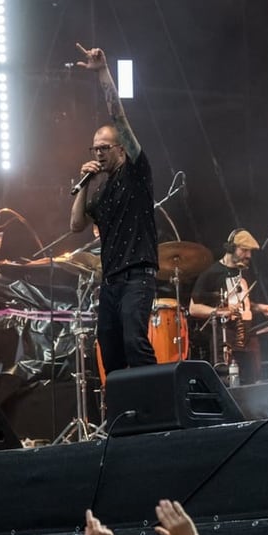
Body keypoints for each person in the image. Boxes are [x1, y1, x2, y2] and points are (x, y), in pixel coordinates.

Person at [70, 44, 159, 374]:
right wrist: (84, 184)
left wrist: (101, 73)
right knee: (109, 346)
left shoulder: (137, 170)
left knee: (135, 341)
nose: (99, 153)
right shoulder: (101, 189)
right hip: (110, 281)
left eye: (104, 148)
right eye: (94, 149)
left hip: (138, 275)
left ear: (121, 148)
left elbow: (118, 116)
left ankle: (158, 408)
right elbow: (76, 225)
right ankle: (126, 415)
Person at [188, 229, 268, 385]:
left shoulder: (243, 272)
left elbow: (243, 303)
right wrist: (220, 312)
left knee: (252, 381)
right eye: (244, 250)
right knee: (229, 381)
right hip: (225, 338)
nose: (248, 256)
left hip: (247, 336)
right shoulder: (211, 274)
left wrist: (260, 307)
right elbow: (193, 308)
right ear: (231, 248)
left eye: (249, 252)